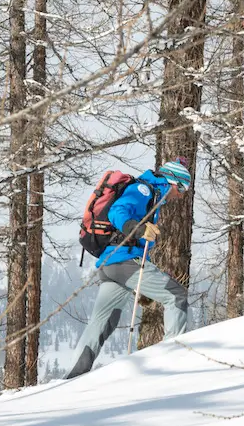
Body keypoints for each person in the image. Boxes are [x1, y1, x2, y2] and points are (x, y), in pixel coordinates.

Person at [66, 160, 192, 379]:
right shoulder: (144, 189)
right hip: (124, 262)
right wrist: (138, 229)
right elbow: (118, 211)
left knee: (103, 322)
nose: (180, 196)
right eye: (182, 189)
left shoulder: (152, 194)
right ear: (173, 182)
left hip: (111, 264)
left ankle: (74, 376)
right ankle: (177, 358)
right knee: (176, 296)